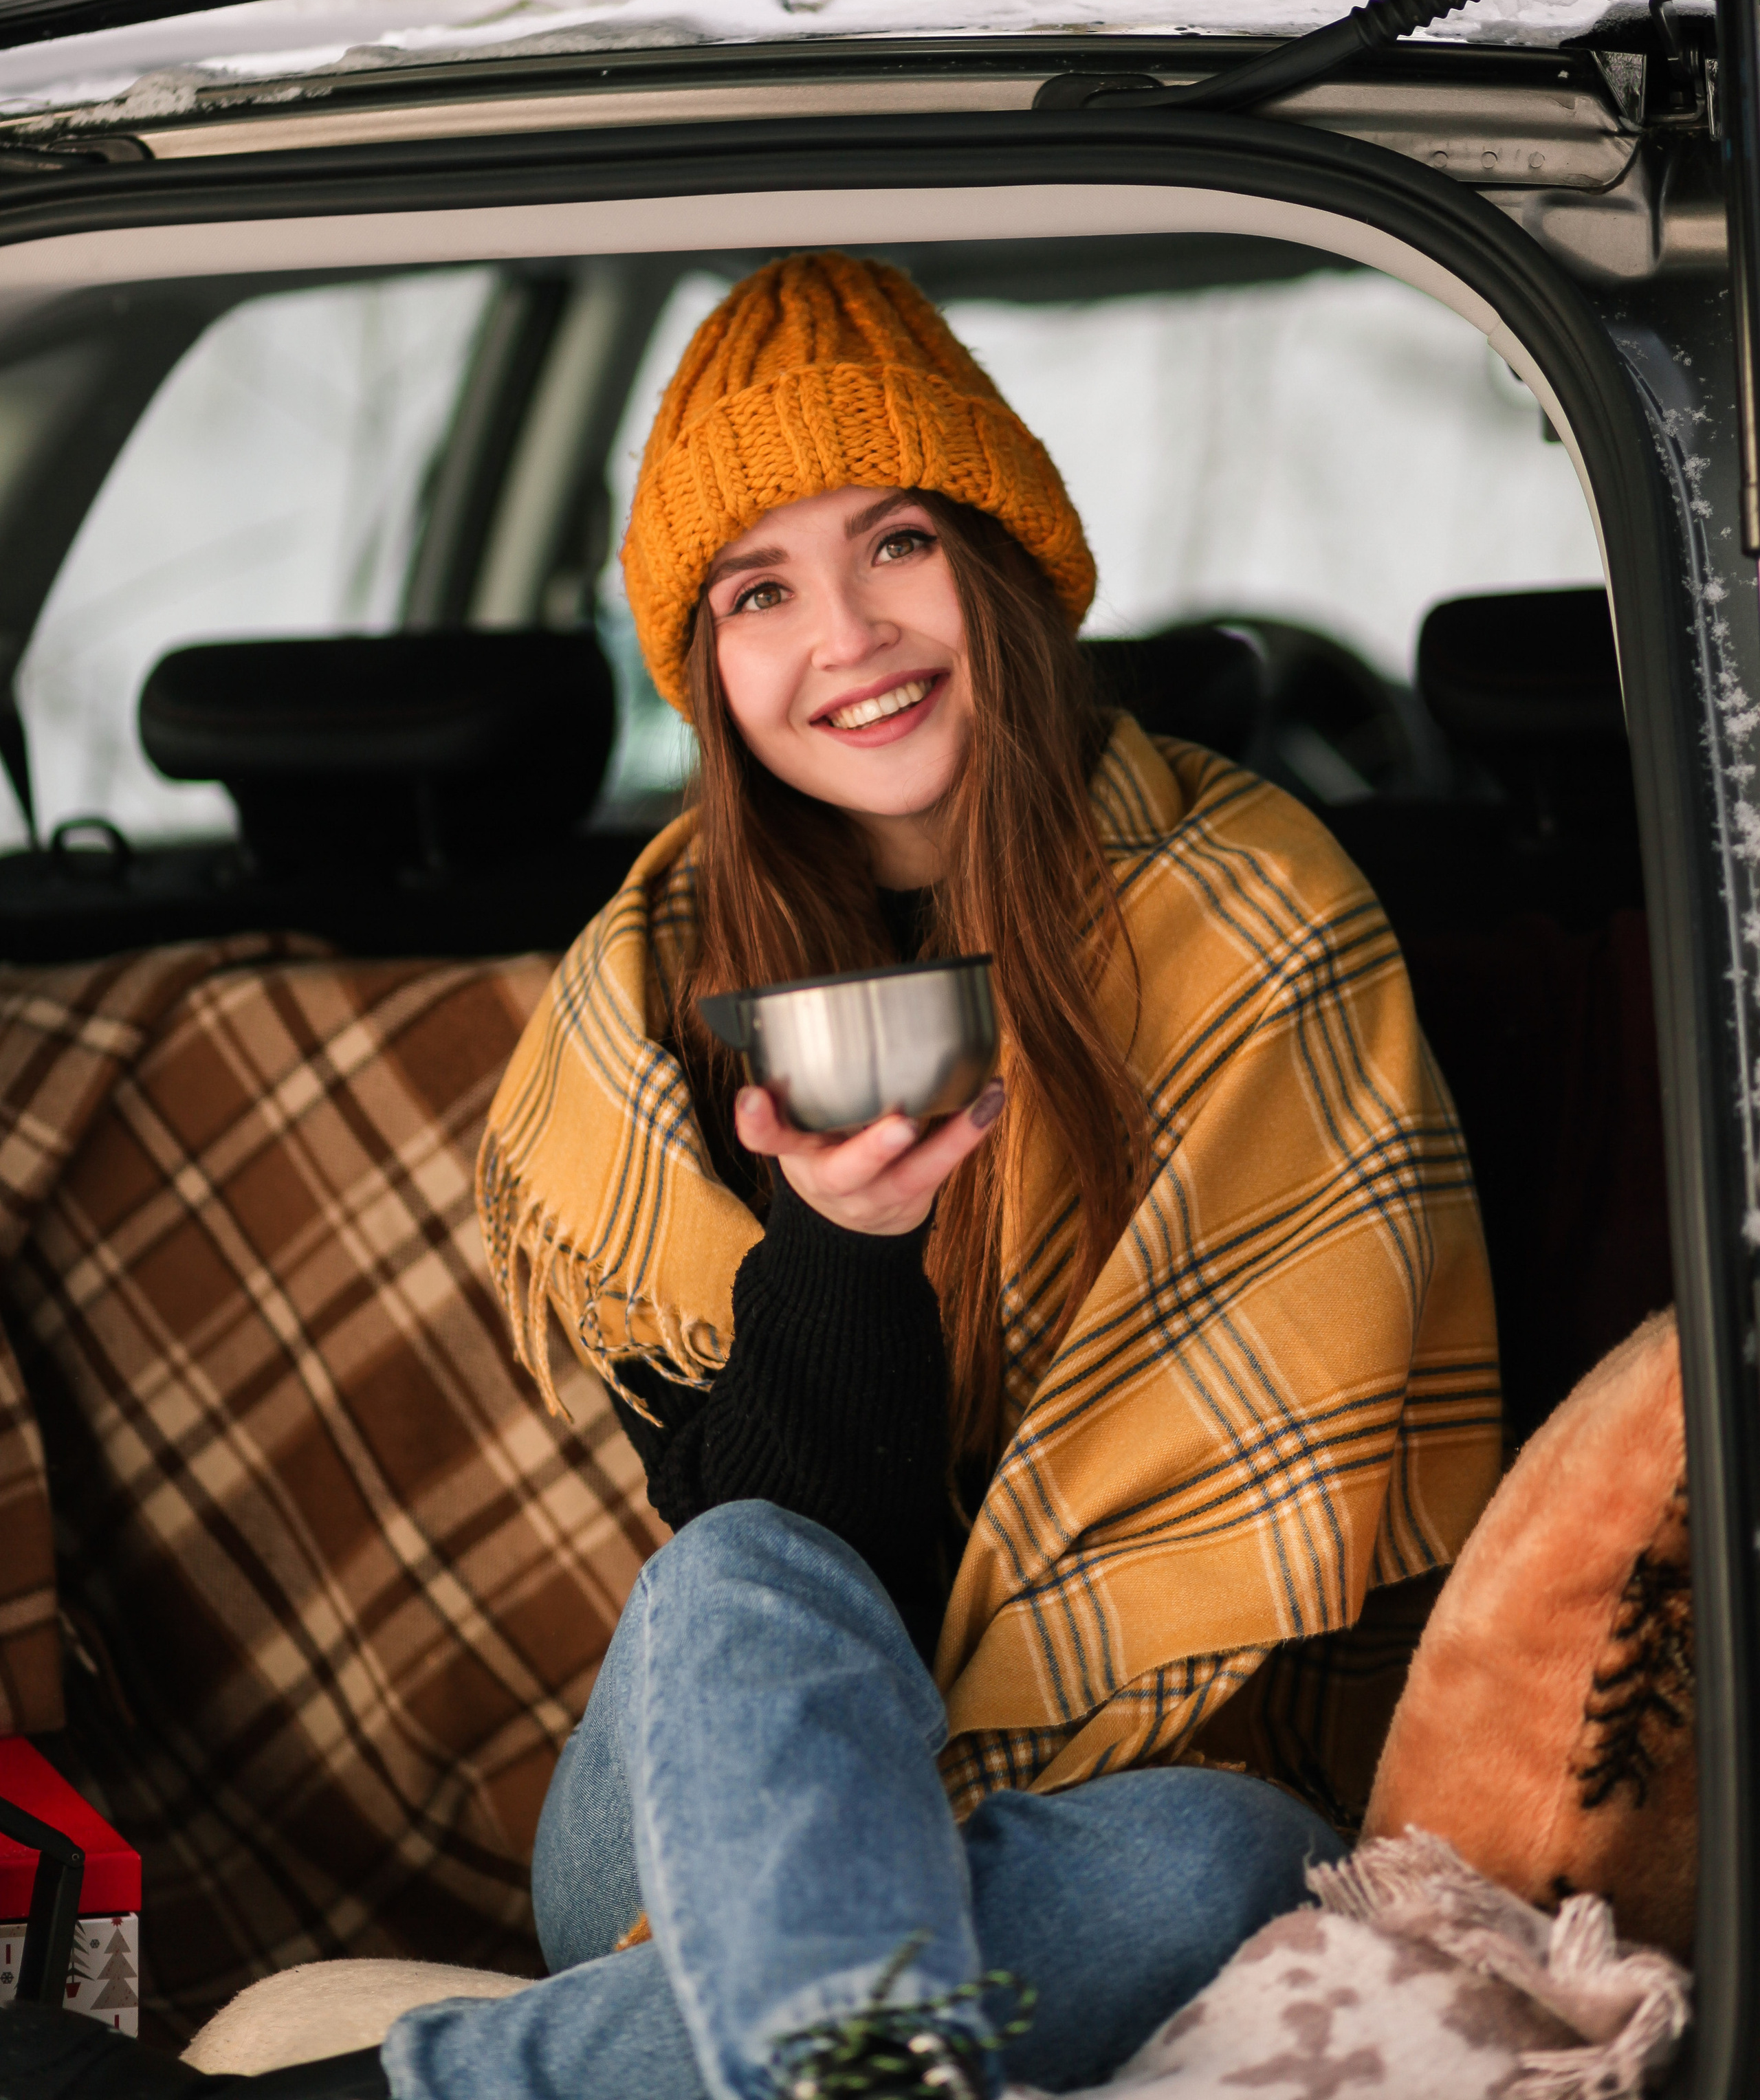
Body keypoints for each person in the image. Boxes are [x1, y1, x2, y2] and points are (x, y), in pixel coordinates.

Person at [6, 252, 1501, 2100]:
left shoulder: (1255, 907)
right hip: (698, 1796)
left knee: (1230, 1864)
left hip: (1123, 1789)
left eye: (896, 545)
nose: (845, 634)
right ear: (710, 663)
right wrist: (846, 1245)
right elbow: (807, 1562)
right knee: (739, 1566)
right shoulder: (656, 990)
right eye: (761, 589)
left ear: (1004, 562)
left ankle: (794, 2064)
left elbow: (1329, 1549)